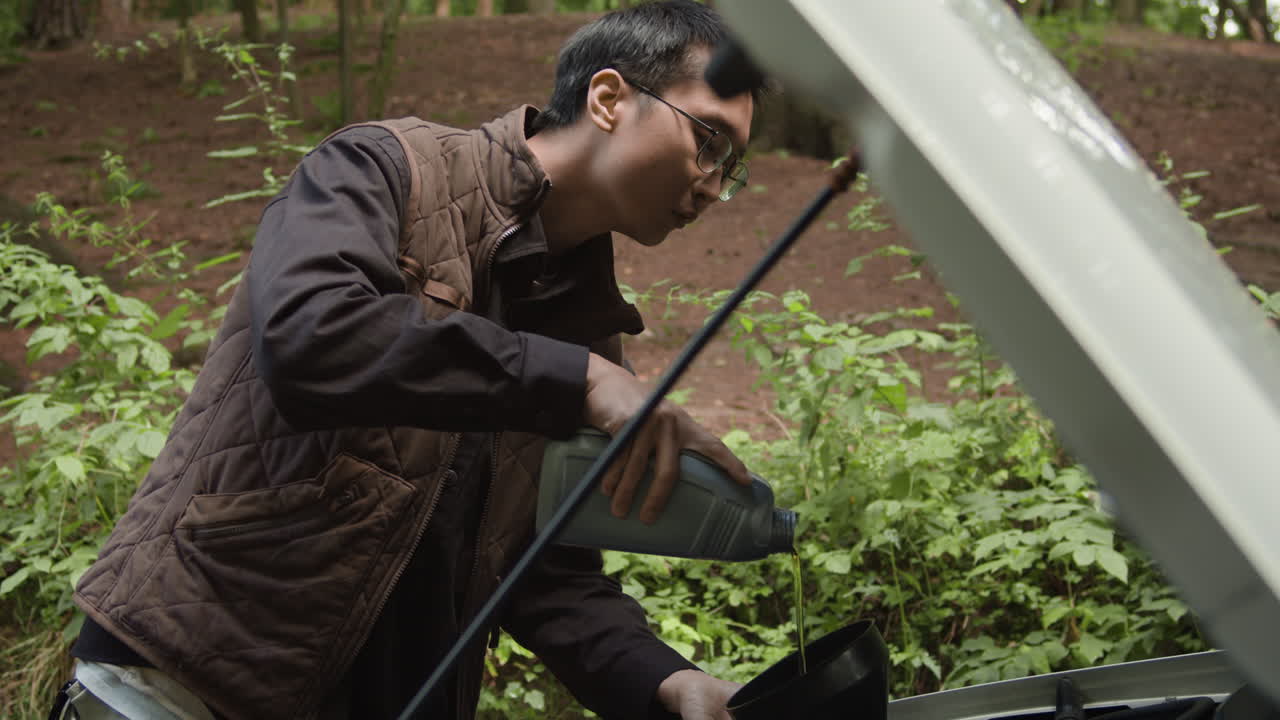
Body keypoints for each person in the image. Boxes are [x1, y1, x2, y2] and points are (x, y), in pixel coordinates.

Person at [53, 1, 761, 718]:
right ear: (609, 99)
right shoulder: (381, 167)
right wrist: (574, 379)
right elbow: (313, 336)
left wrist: (664, 681)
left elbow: (543, 569)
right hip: (181, 683)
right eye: (708, 139)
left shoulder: (583, 325)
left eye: (732, 165)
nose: (712, 182)